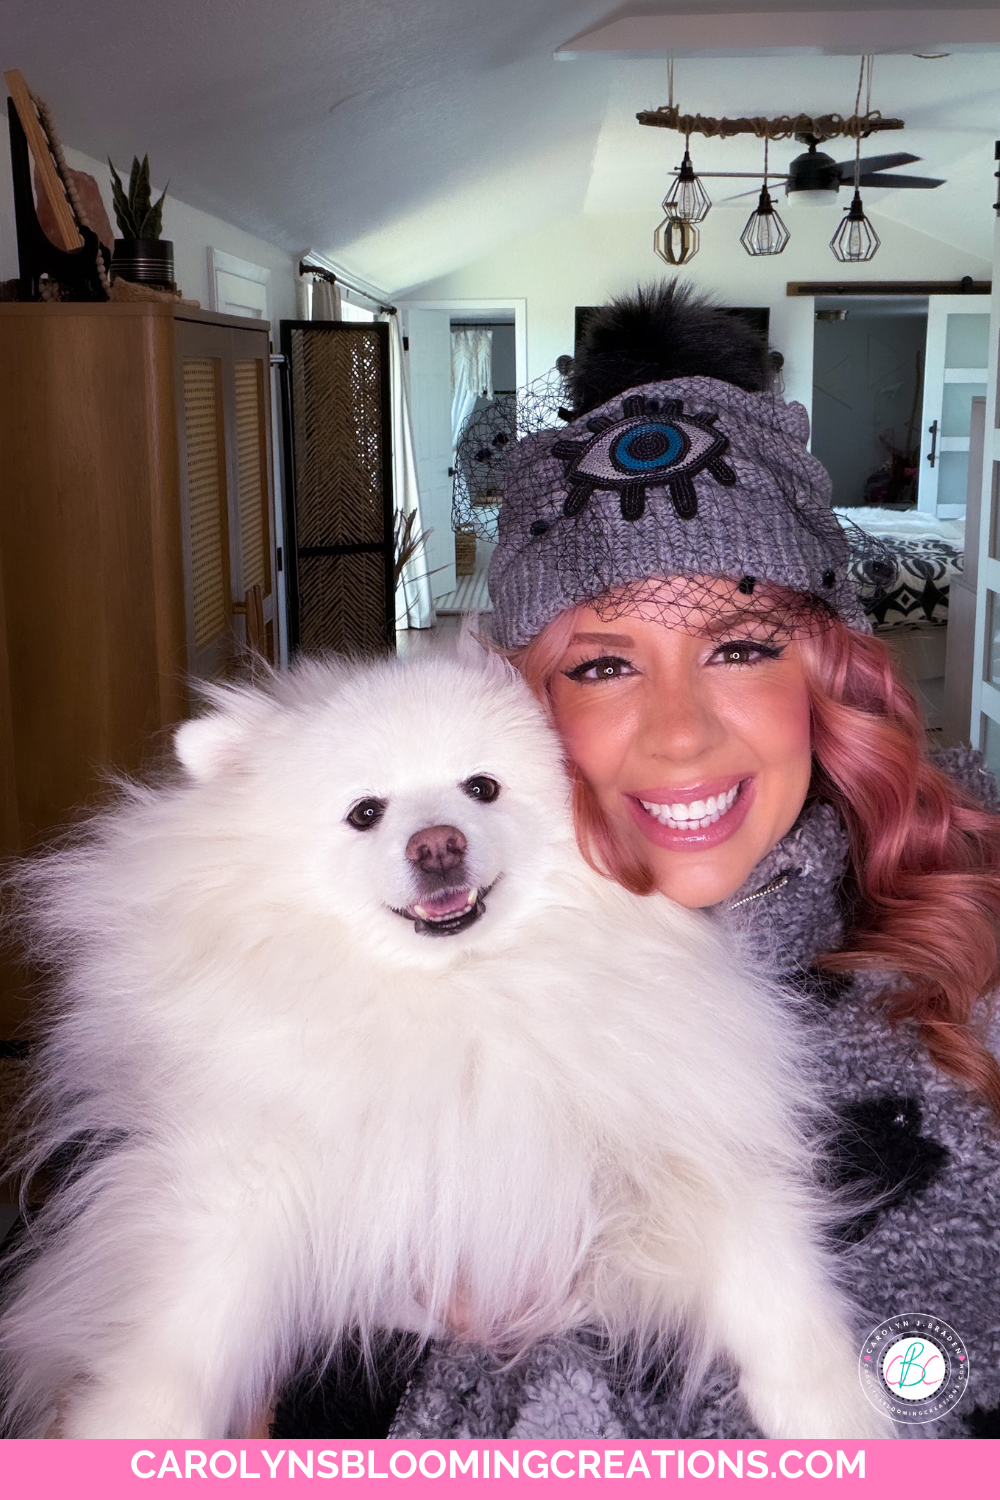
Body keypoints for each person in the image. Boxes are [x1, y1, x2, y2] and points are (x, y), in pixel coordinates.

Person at [279, 282, 1000, 1440]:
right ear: (518, 707)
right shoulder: (361, 969)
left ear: (823, 676)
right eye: (604, 666)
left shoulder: (971, 934)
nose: (678, 734)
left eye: (741, 648)